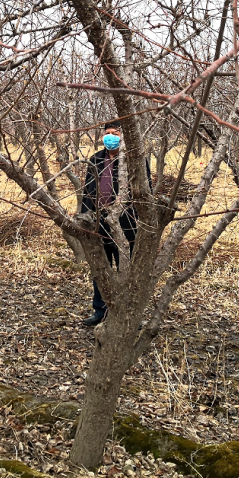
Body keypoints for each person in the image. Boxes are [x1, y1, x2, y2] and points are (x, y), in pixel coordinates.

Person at [80, 120, 150, 326]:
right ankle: (100, 311)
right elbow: (87, 192)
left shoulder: (134, 160)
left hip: (125, 222)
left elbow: (145, 190)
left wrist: (141, 218)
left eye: (116, 133)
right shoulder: (95, 159)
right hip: (98, 222)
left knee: (126, 270)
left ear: (123, 136)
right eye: (108, 133)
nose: (111, 137)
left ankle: (130, 315)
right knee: (101, 268)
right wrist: (86, 218)